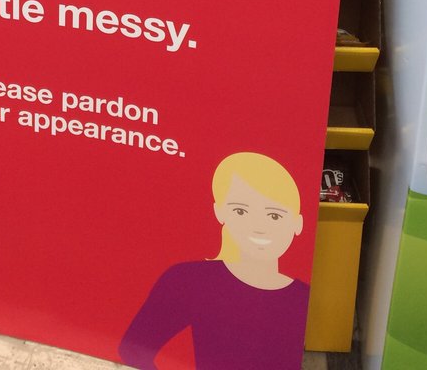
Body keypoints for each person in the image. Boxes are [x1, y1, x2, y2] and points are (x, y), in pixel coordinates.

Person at [118, 153, 309, 370]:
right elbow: (133, 348)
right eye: (240, 211)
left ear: (297, 223)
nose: (258, 227)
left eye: (274, 216)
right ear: (220, 212)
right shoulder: (189, 281)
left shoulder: (302, 297)